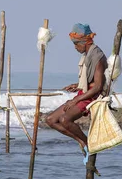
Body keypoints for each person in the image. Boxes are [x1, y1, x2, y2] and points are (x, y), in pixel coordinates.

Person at [45, 23, 108, 163]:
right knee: (50, 120)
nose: (75, 47)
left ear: (84, 42)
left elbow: (98, 87)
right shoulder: (88, 54)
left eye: (76, 44)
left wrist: (75, 101)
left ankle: (87, 144)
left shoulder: (97, 57)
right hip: (84, 92)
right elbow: (90, 80)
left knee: (65, 120)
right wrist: (78, 85)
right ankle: (83, 142)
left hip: (92, 96)